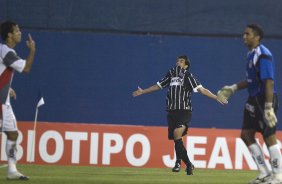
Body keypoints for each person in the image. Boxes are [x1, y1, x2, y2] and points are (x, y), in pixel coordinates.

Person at [132, 55, 226, 175]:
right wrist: (143, 91)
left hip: (184, 110)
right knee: (177, 138)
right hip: (171, 111)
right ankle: (189, 164)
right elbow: (158, 86)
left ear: (186, 65)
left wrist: (216, 97)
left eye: (181, 61)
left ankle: (177, 162)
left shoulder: (188, 75)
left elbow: (202, 90)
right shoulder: (171, 75)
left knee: (177, 132)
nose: (178, 62)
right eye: (177, 60)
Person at [217, 24, 282, 184]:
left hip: (264, 99)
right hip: (253, 99)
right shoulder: (250, 54)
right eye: (243, 34)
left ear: (257, 37)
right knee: (246, 135)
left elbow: (268, 81)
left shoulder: (263, 54)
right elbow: (252, 80)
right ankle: (264, 173)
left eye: (247, 34)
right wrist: (233, 88)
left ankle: (279, 175)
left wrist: (268, 107)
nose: (244, 36)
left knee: (269, 136)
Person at [0, 21, 36, 180]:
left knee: (13, 134)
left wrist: (7, 88)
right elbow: (27, 68)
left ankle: (12, 171)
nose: (20, 33)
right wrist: (32, 51)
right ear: (9, 35)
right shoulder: (6, 52)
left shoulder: (5, 52)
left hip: (4, 100)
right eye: (17, 30)